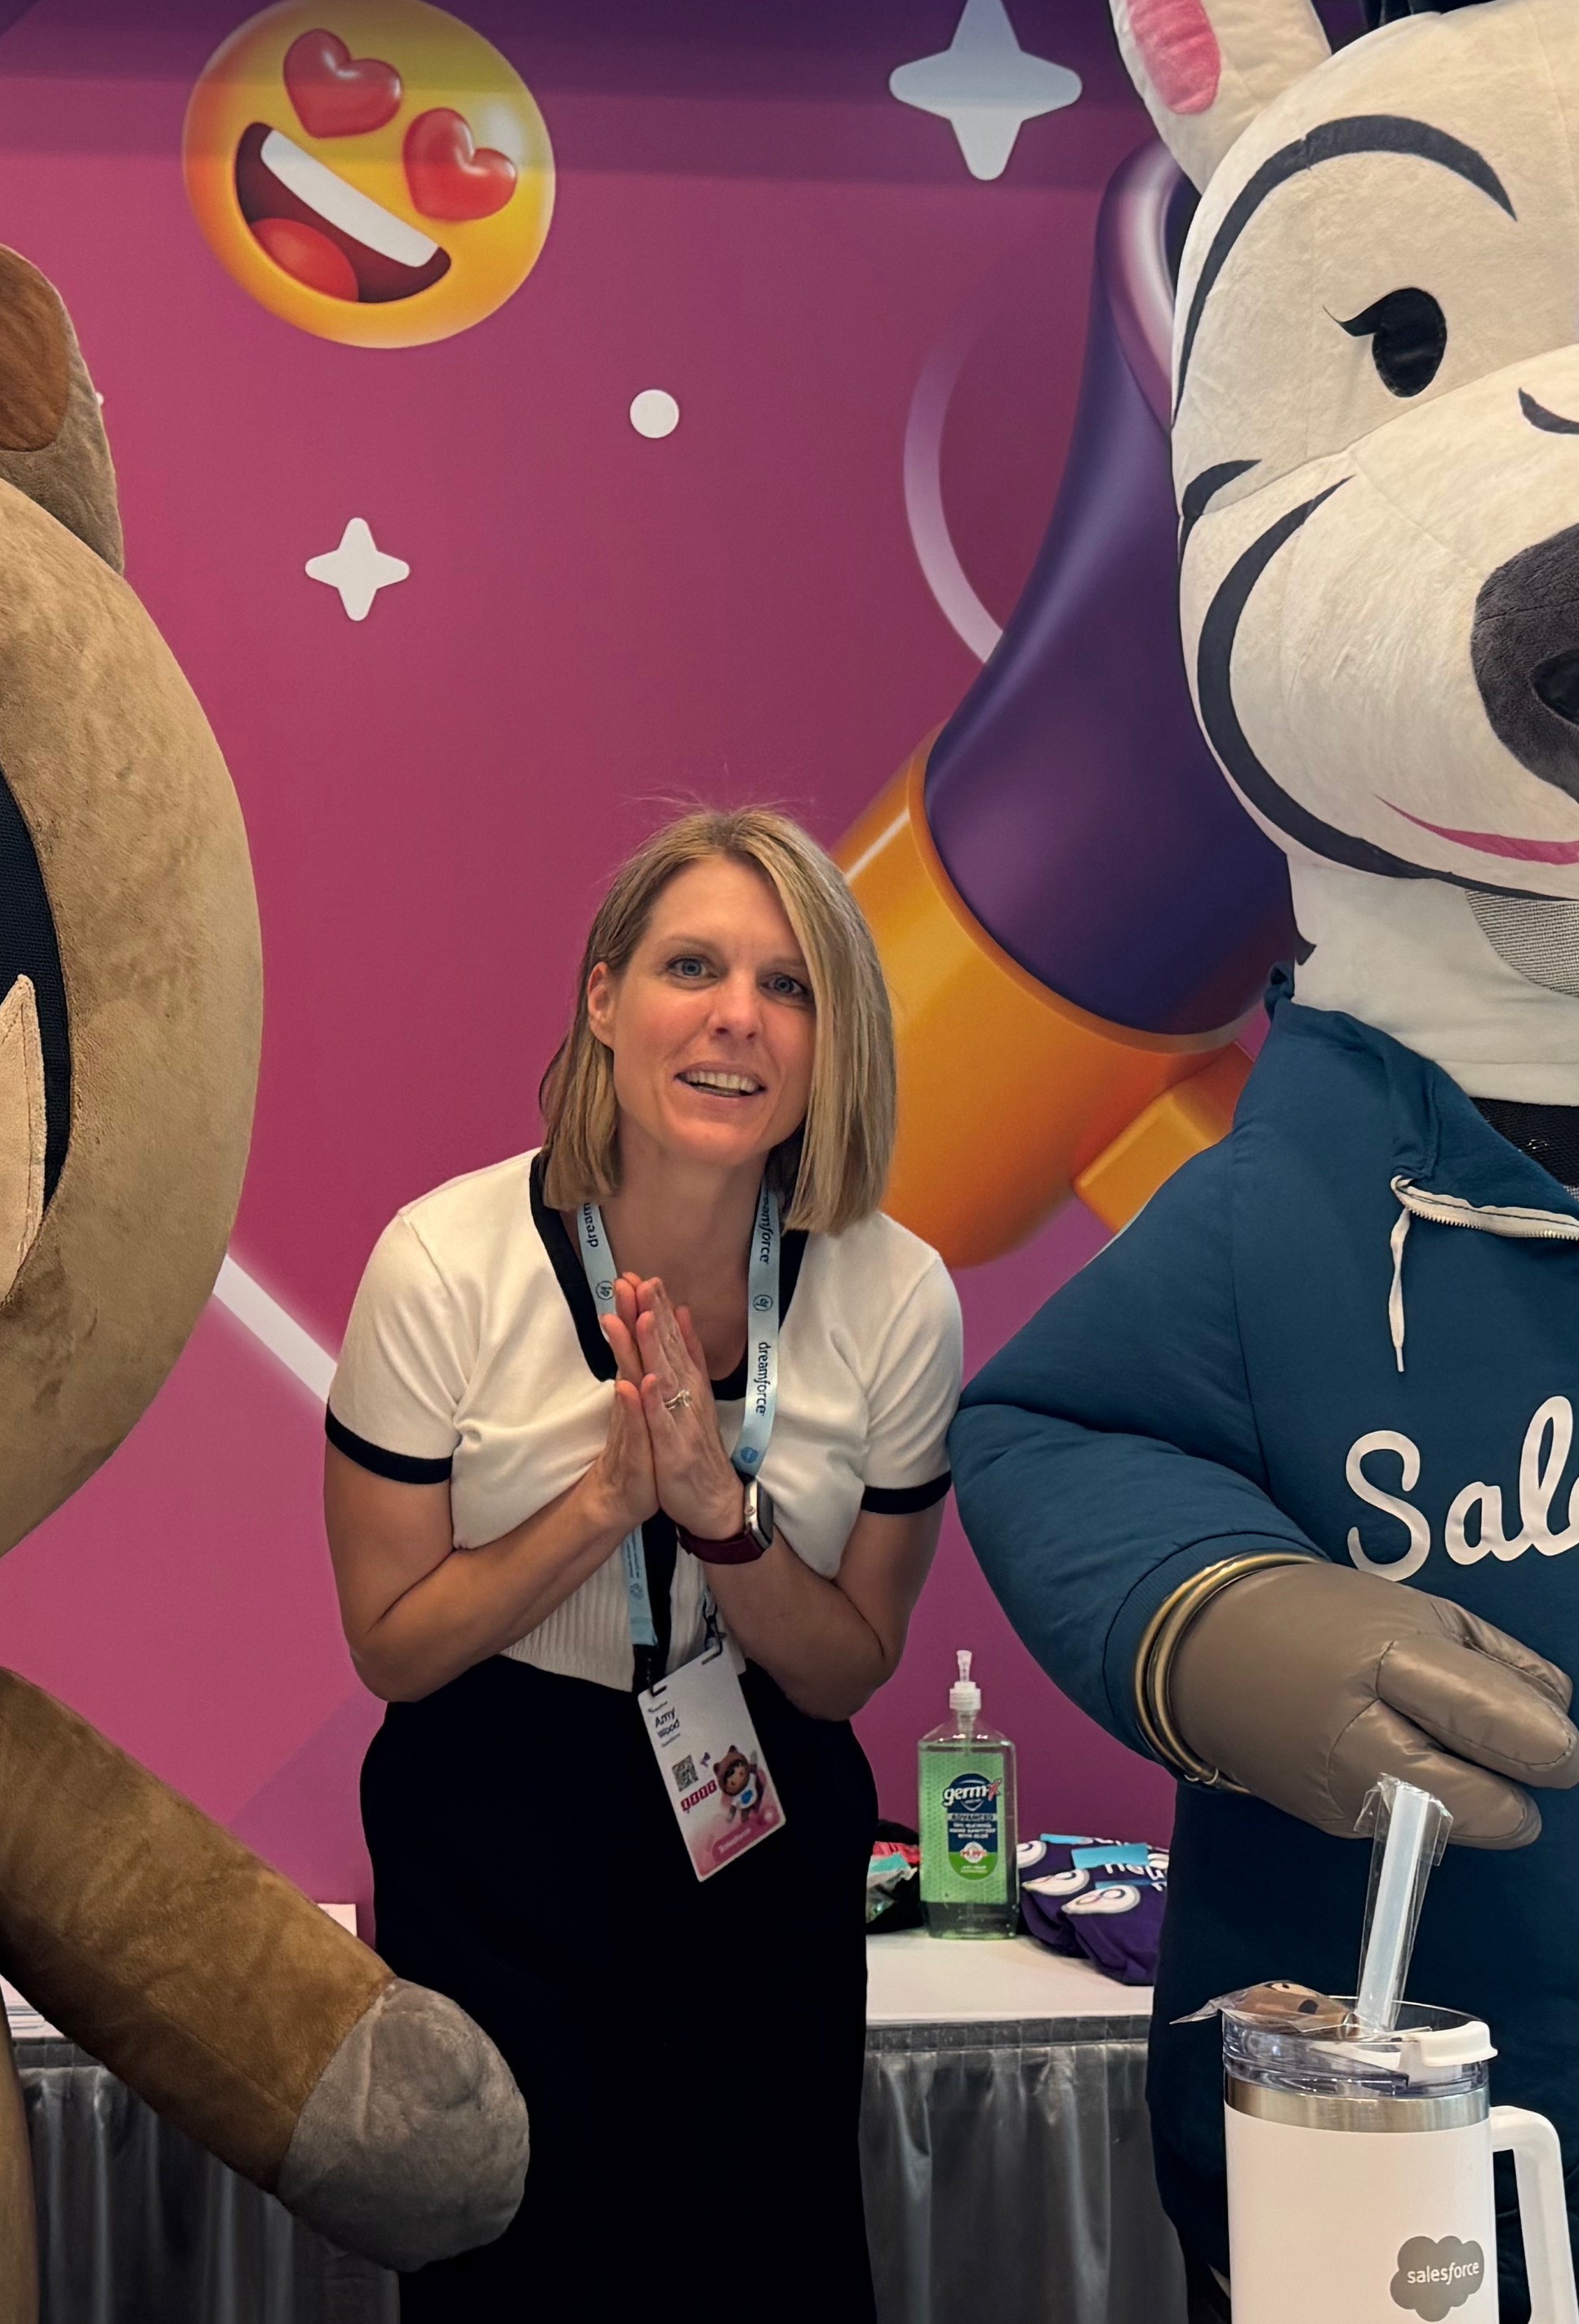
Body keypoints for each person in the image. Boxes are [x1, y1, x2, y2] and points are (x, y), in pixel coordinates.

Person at [322, 808, 964, 2320]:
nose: (739, 1015)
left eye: (789, 983)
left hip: (760, 1812)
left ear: (829, 1039)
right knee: (516, 2275)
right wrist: (605, 1506)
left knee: (769, 2268)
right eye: (693, 966)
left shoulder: (896, 1290)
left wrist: (718, 1515)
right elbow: (394, 1649)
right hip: (500, 1819)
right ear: (605, 1001)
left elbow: (848, 1663)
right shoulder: (443, 1260)